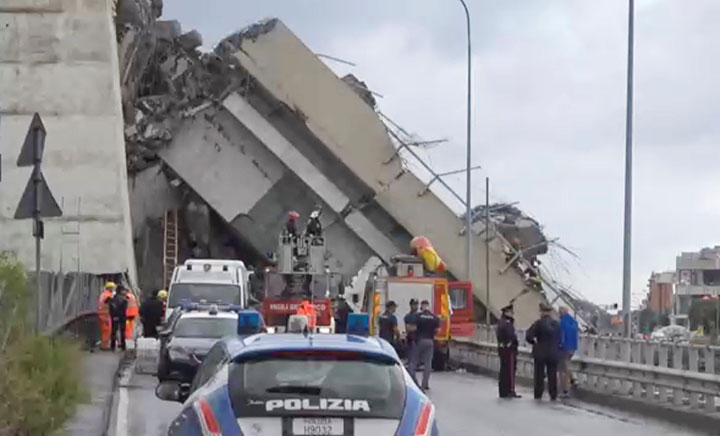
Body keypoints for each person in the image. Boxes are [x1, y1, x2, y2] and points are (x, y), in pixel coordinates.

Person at [526, 303, 561, 401]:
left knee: (539, 375)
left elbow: (529, 336)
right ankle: (553, 394)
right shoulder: (556, 324)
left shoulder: (538, 323)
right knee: (552, 374)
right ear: (550, 312)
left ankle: (538, 394)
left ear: (541, 312)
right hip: (553, 352)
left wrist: (534, 342)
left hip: (540, 352)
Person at [408, 300, 440, 391]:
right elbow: (438, 331)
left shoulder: (417, 316)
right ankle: (425, 384)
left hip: (419, 341)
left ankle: (413, 382)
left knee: (413, 362)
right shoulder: (434, 318)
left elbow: (413, 328)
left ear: (421, 307)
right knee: (428, 363)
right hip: (430, 341)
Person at [496, 304, 521, 398]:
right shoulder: (507, 323)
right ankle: (510, 390)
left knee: (504, 370)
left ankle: (503, 390)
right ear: (507, 312)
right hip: (509, 350)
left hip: (502, 349)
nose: (512, 314)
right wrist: (515, 342)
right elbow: (511, 336)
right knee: (509, 370)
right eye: (511, 312)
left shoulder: (500, 322)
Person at [559, 306, 579, 397]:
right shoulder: (574, 322)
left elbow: (561, 336)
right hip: (573, 347)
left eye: (559, 312)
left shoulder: (562, 322)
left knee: (563, 369)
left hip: (565, 347)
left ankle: (565, 389)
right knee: (567, 364)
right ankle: (573, 379)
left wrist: (560, 345)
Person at [107, 286, 129, 351]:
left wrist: (113, 316)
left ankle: (112, 346)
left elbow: (111, 308)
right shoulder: (124, 299)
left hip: (114, 316)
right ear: (121, 291)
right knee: (122, 331)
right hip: (122, 317)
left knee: (113, 331)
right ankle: (123, 346)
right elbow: (124, 309)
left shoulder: (113, 299)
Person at [98, 282, 116, 350]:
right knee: (107, 331)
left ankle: (104, 345)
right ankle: (104, 346)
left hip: (102, 314)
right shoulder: (108, 295)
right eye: (113, 288)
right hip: (106, 315)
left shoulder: (103, 294)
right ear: (110, 288)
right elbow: (111, 304)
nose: (113, 289)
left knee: (105, 330)